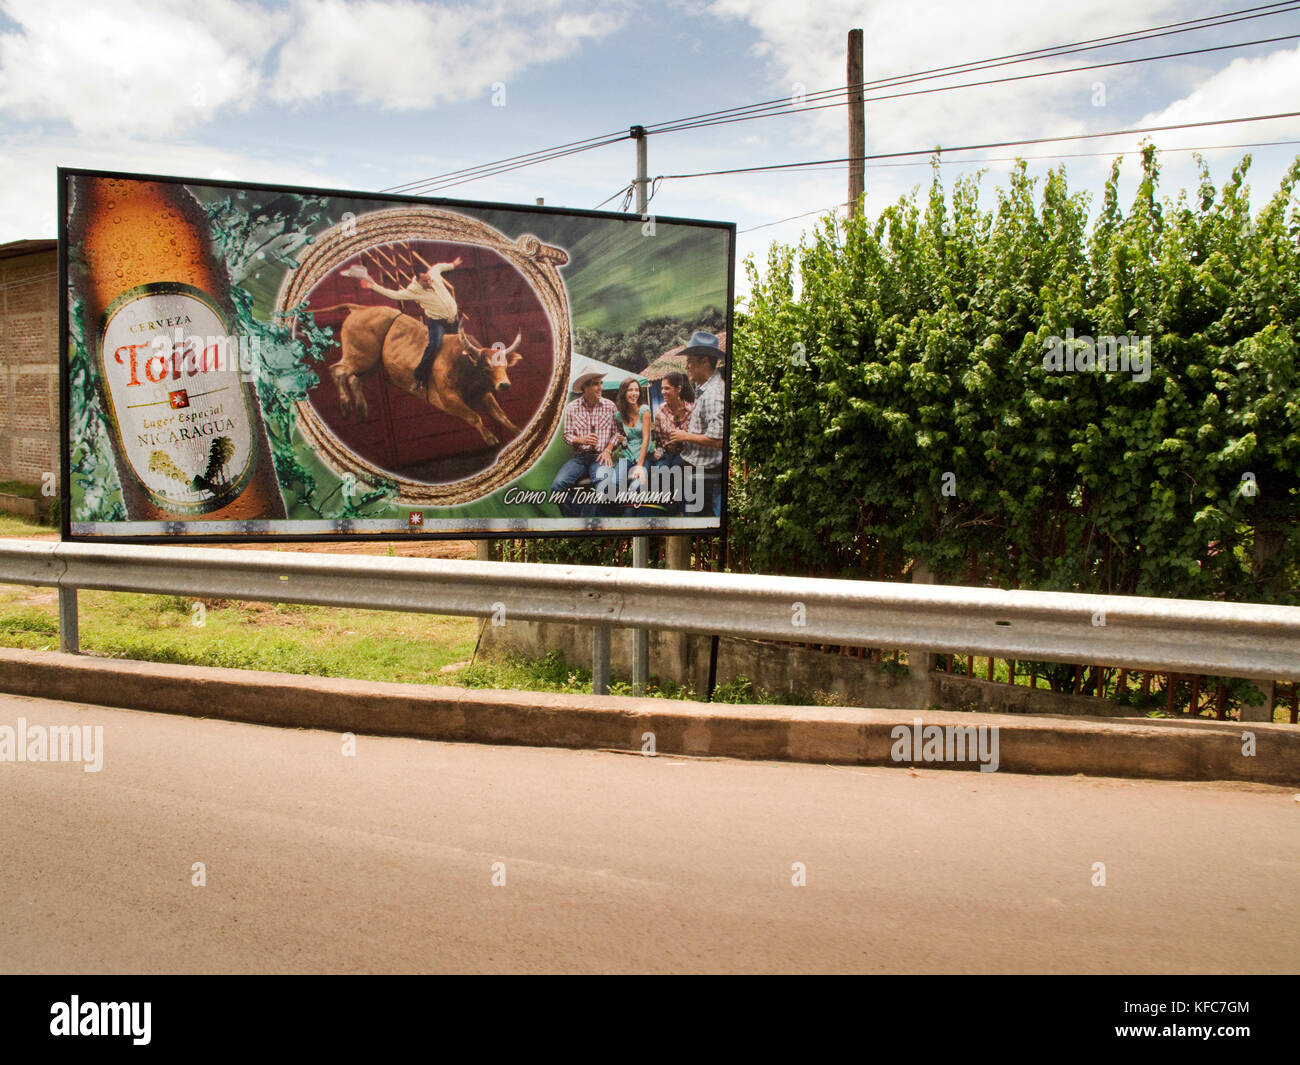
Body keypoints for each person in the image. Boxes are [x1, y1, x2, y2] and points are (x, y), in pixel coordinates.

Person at [360, 256, 463, 388]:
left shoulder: (433, 275)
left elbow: (439, 266)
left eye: (429, 279)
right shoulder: (413, 291)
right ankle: (419, 377)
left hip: (453, 319)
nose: (429, 281)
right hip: (438, 322)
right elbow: (394, 294)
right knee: (434, 345)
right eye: (425, 281)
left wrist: (452, 265)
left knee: (461, 346)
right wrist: (373, 286)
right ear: (418, 281)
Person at [665, 331, 726, 518]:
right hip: (695, 470)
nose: (686, 366)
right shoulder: (704, 389)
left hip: (704, 475)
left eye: (690, 361)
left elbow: (719, 440)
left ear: (705, 361)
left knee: (692, 524)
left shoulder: (715, 393)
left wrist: (686, 436)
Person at [551, 370, 624, 517]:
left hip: (600, 456)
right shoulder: (572, 408)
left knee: (606, 487)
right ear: (584, 387)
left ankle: (589, 520)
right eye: (596, 384)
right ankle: (578, 521)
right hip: (579, 458)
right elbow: (567, 435)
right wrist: (580, 440)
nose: (600, 388)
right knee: (557, 487)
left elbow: (618, 433)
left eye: (601, 383)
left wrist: (608, 450)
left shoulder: (610, 406)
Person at [614, 378, 652, 488]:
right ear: (623, 393)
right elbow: (626, 441)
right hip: (628, 456)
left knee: (635, 487)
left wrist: (639, 466)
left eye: (636, 390)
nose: (634, 393)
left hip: (644, 457)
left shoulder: (644, 410)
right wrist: (623, 441)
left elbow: (646, 438)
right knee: (613, 484)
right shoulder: (619, 416)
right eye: (630, 390)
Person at [652, 371, 694, 463]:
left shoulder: (692, 410)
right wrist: (658, 452)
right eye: (662, 388)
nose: (663, 392)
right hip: (666, 454)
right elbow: (658, 439)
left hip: (687, 454)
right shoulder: (660, 410)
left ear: (678, 389)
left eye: (667, 388)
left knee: (677, 466)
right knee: (660, 470)